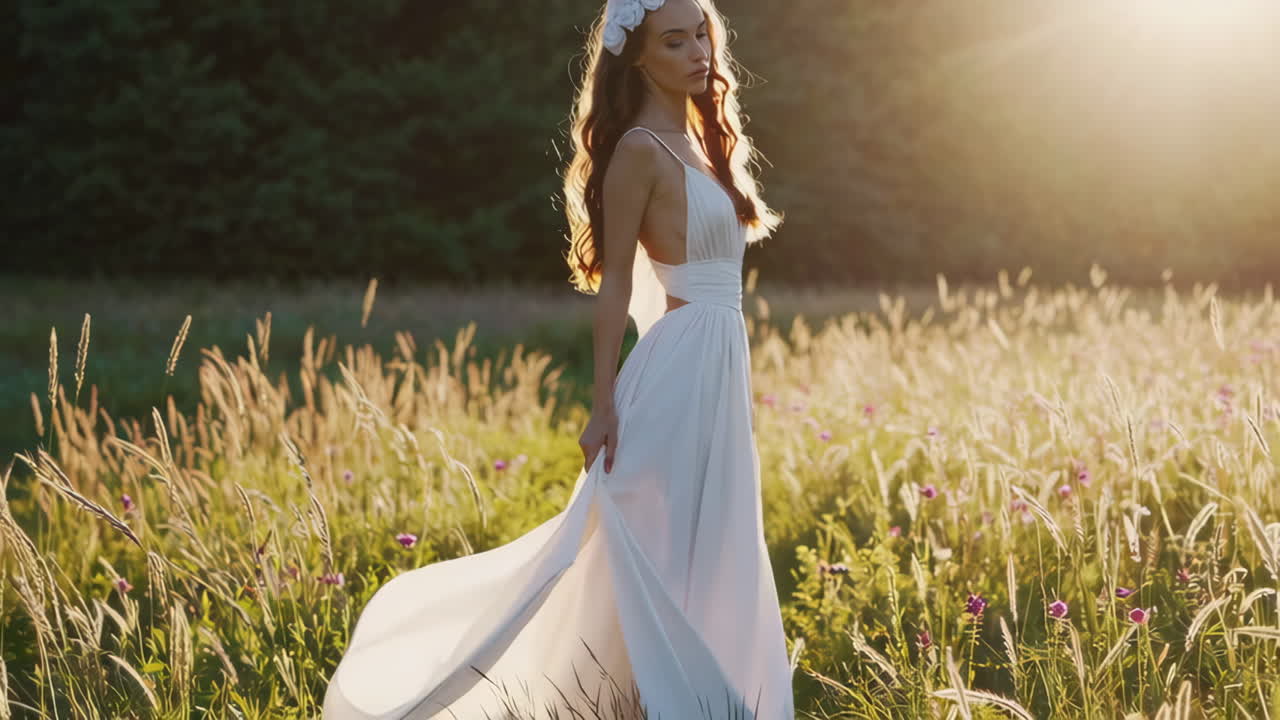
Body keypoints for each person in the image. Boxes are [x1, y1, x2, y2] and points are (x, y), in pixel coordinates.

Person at [322, 0, 794, 717]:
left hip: (720, 369)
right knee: (643, 546)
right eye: (675, 41)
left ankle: (690, 699)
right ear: (638, 58)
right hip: (675, 369)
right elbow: (616, 291)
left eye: (702, 34)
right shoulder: (640, 149)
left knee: (714, 545)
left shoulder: (703, 140)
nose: (698, 51)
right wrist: (603, 404)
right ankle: (638, 698)